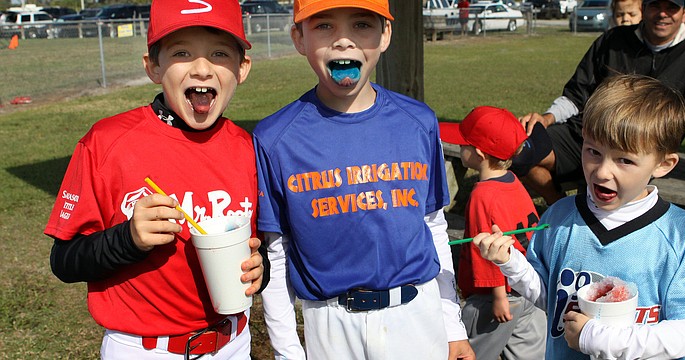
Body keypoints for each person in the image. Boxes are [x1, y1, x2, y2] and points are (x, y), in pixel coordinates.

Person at [44, 0, 269, 358]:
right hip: (145, 350)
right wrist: (129, 238)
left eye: (219, 53)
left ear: (242, 68)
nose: (201, 69)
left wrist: (261, 269)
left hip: (234, 343)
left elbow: (258, 244)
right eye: (181, 52)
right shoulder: (106, 142)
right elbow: (64, 260)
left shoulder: (247, 148)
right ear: (153, 66)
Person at [253, 0, 475, 359]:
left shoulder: (418, 122)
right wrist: (287, 352)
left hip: (417, 315)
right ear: (298, 38)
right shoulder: (275, 138)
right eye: (324, 26)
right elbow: (277, 255)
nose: (344, 41)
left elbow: (433, 225)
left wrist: (451, 326)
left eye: (361, 25)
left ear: (385, 34)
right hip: (330, 322)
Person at [473, 74, 685, 359]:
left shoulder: (680, 232)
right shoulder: (560, 218)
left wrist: (602, 339)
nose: (602, 171)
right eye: (593, 151)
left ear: (663, 164)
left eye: (625, 160)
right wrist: (510, 262)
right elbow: (550, 298)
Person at [514, 0, 685, 205]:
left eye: (672, 7)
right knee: (516, 150)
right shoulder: (614, 39)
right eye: (655, 5)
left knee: (604, 194)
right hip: (588, 135)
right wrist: (547, 117)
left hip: (640, 148)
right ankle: (559, 205)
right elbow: (578, 92)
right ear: (643, 8)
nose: (663, 13)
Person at [439, 106, 547, 360]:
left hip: (494, 297)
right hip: (527, 291)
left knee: (468, 352)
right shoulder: (513, 181)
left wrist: (498, 295)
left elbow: (487, 252)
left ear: (477, 153)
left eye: (462, 144)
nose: (460, 149)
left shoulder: (481, 195)